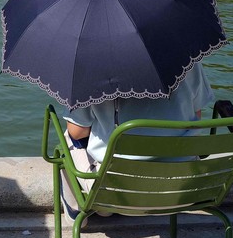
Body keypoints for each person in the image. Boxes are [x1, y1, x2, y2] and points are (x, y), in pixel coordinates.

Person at [60, 62, 215, 217]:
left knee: (69, 138)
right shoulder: (189, 62)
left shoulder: (94, 69)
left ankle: (76, 212)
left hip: (117, 195)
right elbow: (196, 118)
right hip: (184, 190)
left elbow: (77, 132)